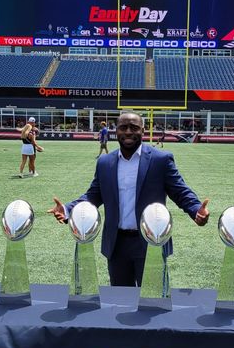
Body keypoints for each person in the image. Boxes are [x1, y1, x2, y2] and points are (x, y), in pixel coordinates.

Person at [48, 111, 210, 287]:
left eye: (134, 128)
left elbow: (180, 191)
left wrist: (196, 210)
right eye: (123, 127)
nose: (128, 132)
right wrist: (67, 209)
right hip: (117, 244)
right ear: (116, 131)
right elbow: (94, 195)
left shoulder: (160, 160)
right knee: (120, 301)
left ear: (143, 130)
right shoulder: (105, 163)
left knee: (153, 302)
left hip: (151, 241)